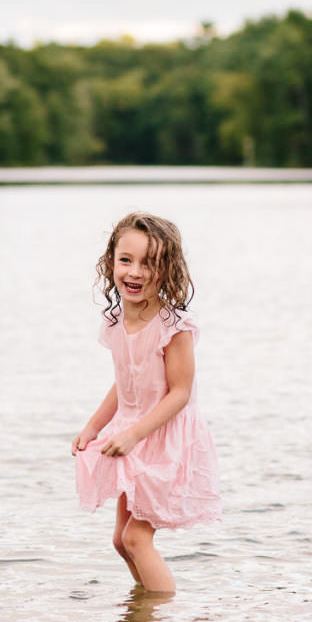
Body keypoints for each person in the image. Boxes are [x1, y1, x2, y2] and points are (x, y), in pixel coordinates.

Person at [72, 212, 221, 593]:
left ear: (167, 270)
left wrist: (136, 434)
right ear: (111, 262)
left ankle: (159, 620)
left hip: (164, 439)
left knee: (138, 539)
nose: (135, 272)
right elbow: (125, 383)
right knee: (121, 541)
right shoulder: (116, 321)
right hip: (132, 435)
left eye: (149, 264)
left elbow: (180, 393)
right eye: (126, 260)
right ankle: (143, 620)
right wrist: (93, 426)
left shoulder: (174, 327)